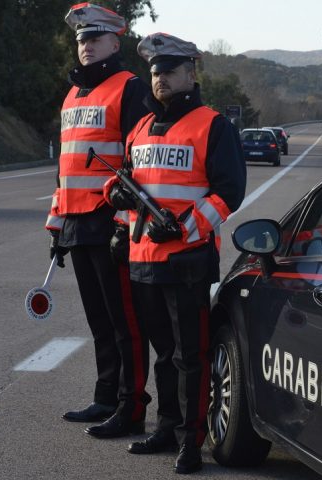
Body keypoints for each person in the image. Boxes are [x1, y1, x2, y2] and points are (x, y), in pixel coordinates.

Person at [104, 32, 246, 474]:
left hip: (186, 260)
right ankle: (165, 428)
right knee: (163, 353)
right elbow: (125, 181)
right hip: (143, 260)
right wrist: (116, 202)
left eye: (168, 70)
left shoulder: (213, 125)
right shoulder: (140, 128)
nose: (160, 79)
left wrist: (184, 229)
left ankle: (191, 440)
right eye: (154, 72)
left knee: (190, 355)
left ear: (190, 72)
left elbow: (228, 193)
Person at [45, 3, 150, 438]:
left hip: (110, 225)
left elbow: (139, 163)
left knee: (125, 320)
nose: (85, 46)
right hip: (76, 222)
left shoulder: (129, 88)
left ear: (114, 41)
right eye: (81, 39)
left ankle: (131, 407)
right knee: (98, 320)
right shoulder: (72, 94)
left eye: (95, 38)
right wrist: (56, 227)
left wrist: (125, 226)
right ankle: (106, 397)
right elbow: (65, 168)